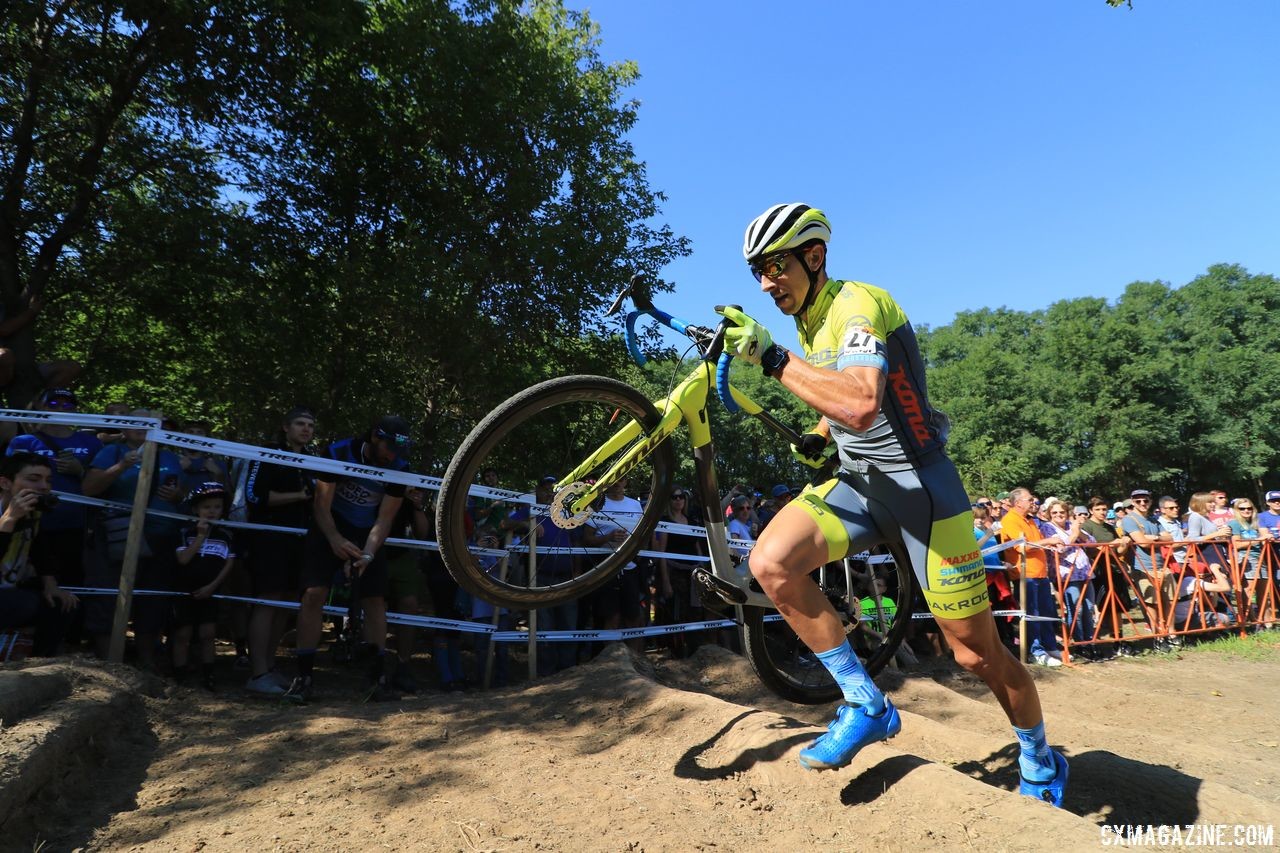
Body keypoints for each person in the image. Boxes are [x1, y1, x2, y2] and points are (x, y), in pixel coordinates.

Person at [717, 203, 1066, 805]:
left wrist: (773, 360)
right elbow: (841, 411)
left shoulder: (857, 304)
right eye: (758, 273)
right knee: (771, 563)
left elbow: (860, 404)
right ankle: (864, 702)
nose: (767, 283)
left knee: (972, 652)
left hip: (922, 491)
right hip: (861, 481)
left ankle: (1039, 756)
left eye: (776, 266)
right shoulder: (807, 317)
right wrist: (820, 438)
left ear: (814, 256)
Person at [283, 415, 412, 703]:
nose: (393, 456)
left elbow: (385, 518)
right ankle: (303, 677)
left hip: (368, 531)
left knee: (376, 599)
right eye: (389, 448)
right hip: (329, 524)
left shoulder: (400, 466)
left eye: (398, 451)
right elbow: (321, 504)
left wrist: (368, 552)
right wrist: (334, 539)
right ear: (374, 439)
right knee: (314, 594)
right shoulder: (338, 451)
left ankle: (377, 678)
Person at [82, 410, 185, 667]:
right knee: (108, 595)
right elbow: (88, 489)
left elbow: (182, 494)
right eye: (137, 423)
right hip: (118, 536)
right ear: (124, 429)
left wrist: (176, 495)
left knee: (152, 599)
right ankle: (108, 665)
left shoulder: (170, 456)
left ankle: (147, 665)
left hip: (162, 536)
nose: (144, 427)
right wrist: (121, 467)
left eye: (152, 423)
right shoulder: (112, 452)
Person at [242, 407, 316, 696]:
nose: (306, 429)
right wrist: (299, 496)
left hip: (299, 540)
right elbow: (254, 496)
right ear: (285, 427)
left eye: (310, 425)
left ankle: (270, 667)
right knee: (267, 600)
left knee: (285, 602)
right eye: (300, 423)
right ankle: (257, 671)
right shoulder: (268, 452)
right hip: (268, 538)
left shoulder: (311, 459)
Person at [0, 452, 78, 655]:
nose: (44, 486)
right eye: (33, 479)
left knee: (60, 603)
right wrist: (8, 521)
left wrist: (51, 586)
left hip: (10, 589)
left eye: (48, 480)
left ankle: (40, 665)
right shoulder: (9, 514)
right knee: (24, 603)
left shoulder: (33, 513)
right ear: (5, 483)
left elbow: (39, 550)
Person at [171, 482, 238, 690]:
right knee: (182, 633)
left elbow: (229, 564)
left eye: (217, 507)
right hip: (184, 590)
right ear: (195, 509)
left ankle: (209, 675)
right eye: (207, 507)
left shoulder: (226, 535)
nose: (212, 511)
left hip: (211, 591)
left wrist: (213, 586)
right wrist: (199, 536)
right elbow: (182, 559)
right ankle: (179, 675)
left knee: (208, 633)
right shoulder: (184, 531)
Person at [1001, 490, 1064, 667]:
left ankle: (1050, 646)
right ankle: (1036, 651)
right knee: (1031, 614)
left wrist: (1052, 543)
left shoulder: (1030, 520)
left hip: (1040, 574)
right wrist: (1050, 541)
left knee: (1045, 613)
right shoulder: (1010, 520)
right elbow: (1023, 546)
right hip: (1024, 576)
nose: (1034, 502)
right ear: (1018, 502)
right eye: (1030, 500)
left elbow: (1038, 542)